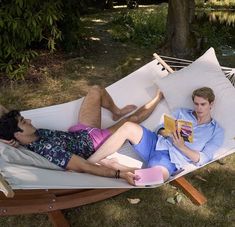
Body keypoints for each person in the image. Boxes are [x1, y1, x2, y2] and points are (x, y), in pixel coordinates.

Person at [0, 85, 163, 185]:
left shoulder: (19, 135)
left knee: (96, 90)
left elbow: (4, 114)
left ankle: (117, 112)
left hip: (80, 131)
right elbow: (84, 166)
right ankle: (158, 98)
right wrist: (119, 174)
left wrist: (7, 138)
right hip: (94, 143)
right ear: (16, 135)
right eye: (23, 122)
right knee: (132, 120)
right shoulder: (48, 150)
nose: (28, 120)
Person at [87, 87, 224, 182]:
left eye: (203, 104)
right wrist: (167, 132)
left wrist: (182, 147)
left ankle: (114, 166)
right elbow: (160, 128)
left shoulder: (216, 131)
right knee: (128, 127)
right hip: (156, 142)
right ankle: (89, 162)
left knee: (156, 177)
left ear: (211, 104)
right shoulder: (182, 113)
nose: (198, 108)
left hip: (172, 159)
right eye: (196, 104)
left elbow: (203, 158)